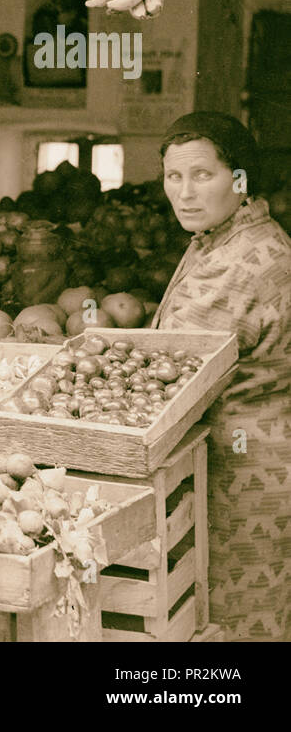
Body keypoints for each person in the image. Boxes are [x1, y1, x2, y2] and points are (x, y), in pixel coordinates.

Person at [152, 111, 291, 641]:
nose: (184, 193)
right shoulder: (228, 234)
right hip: (245, 454)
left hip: (244, 470)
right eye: (173, 176)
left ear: (239, 179)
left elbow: (171, 378)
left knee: (236, 623)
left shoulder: (244, 259)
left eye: (202, 175)